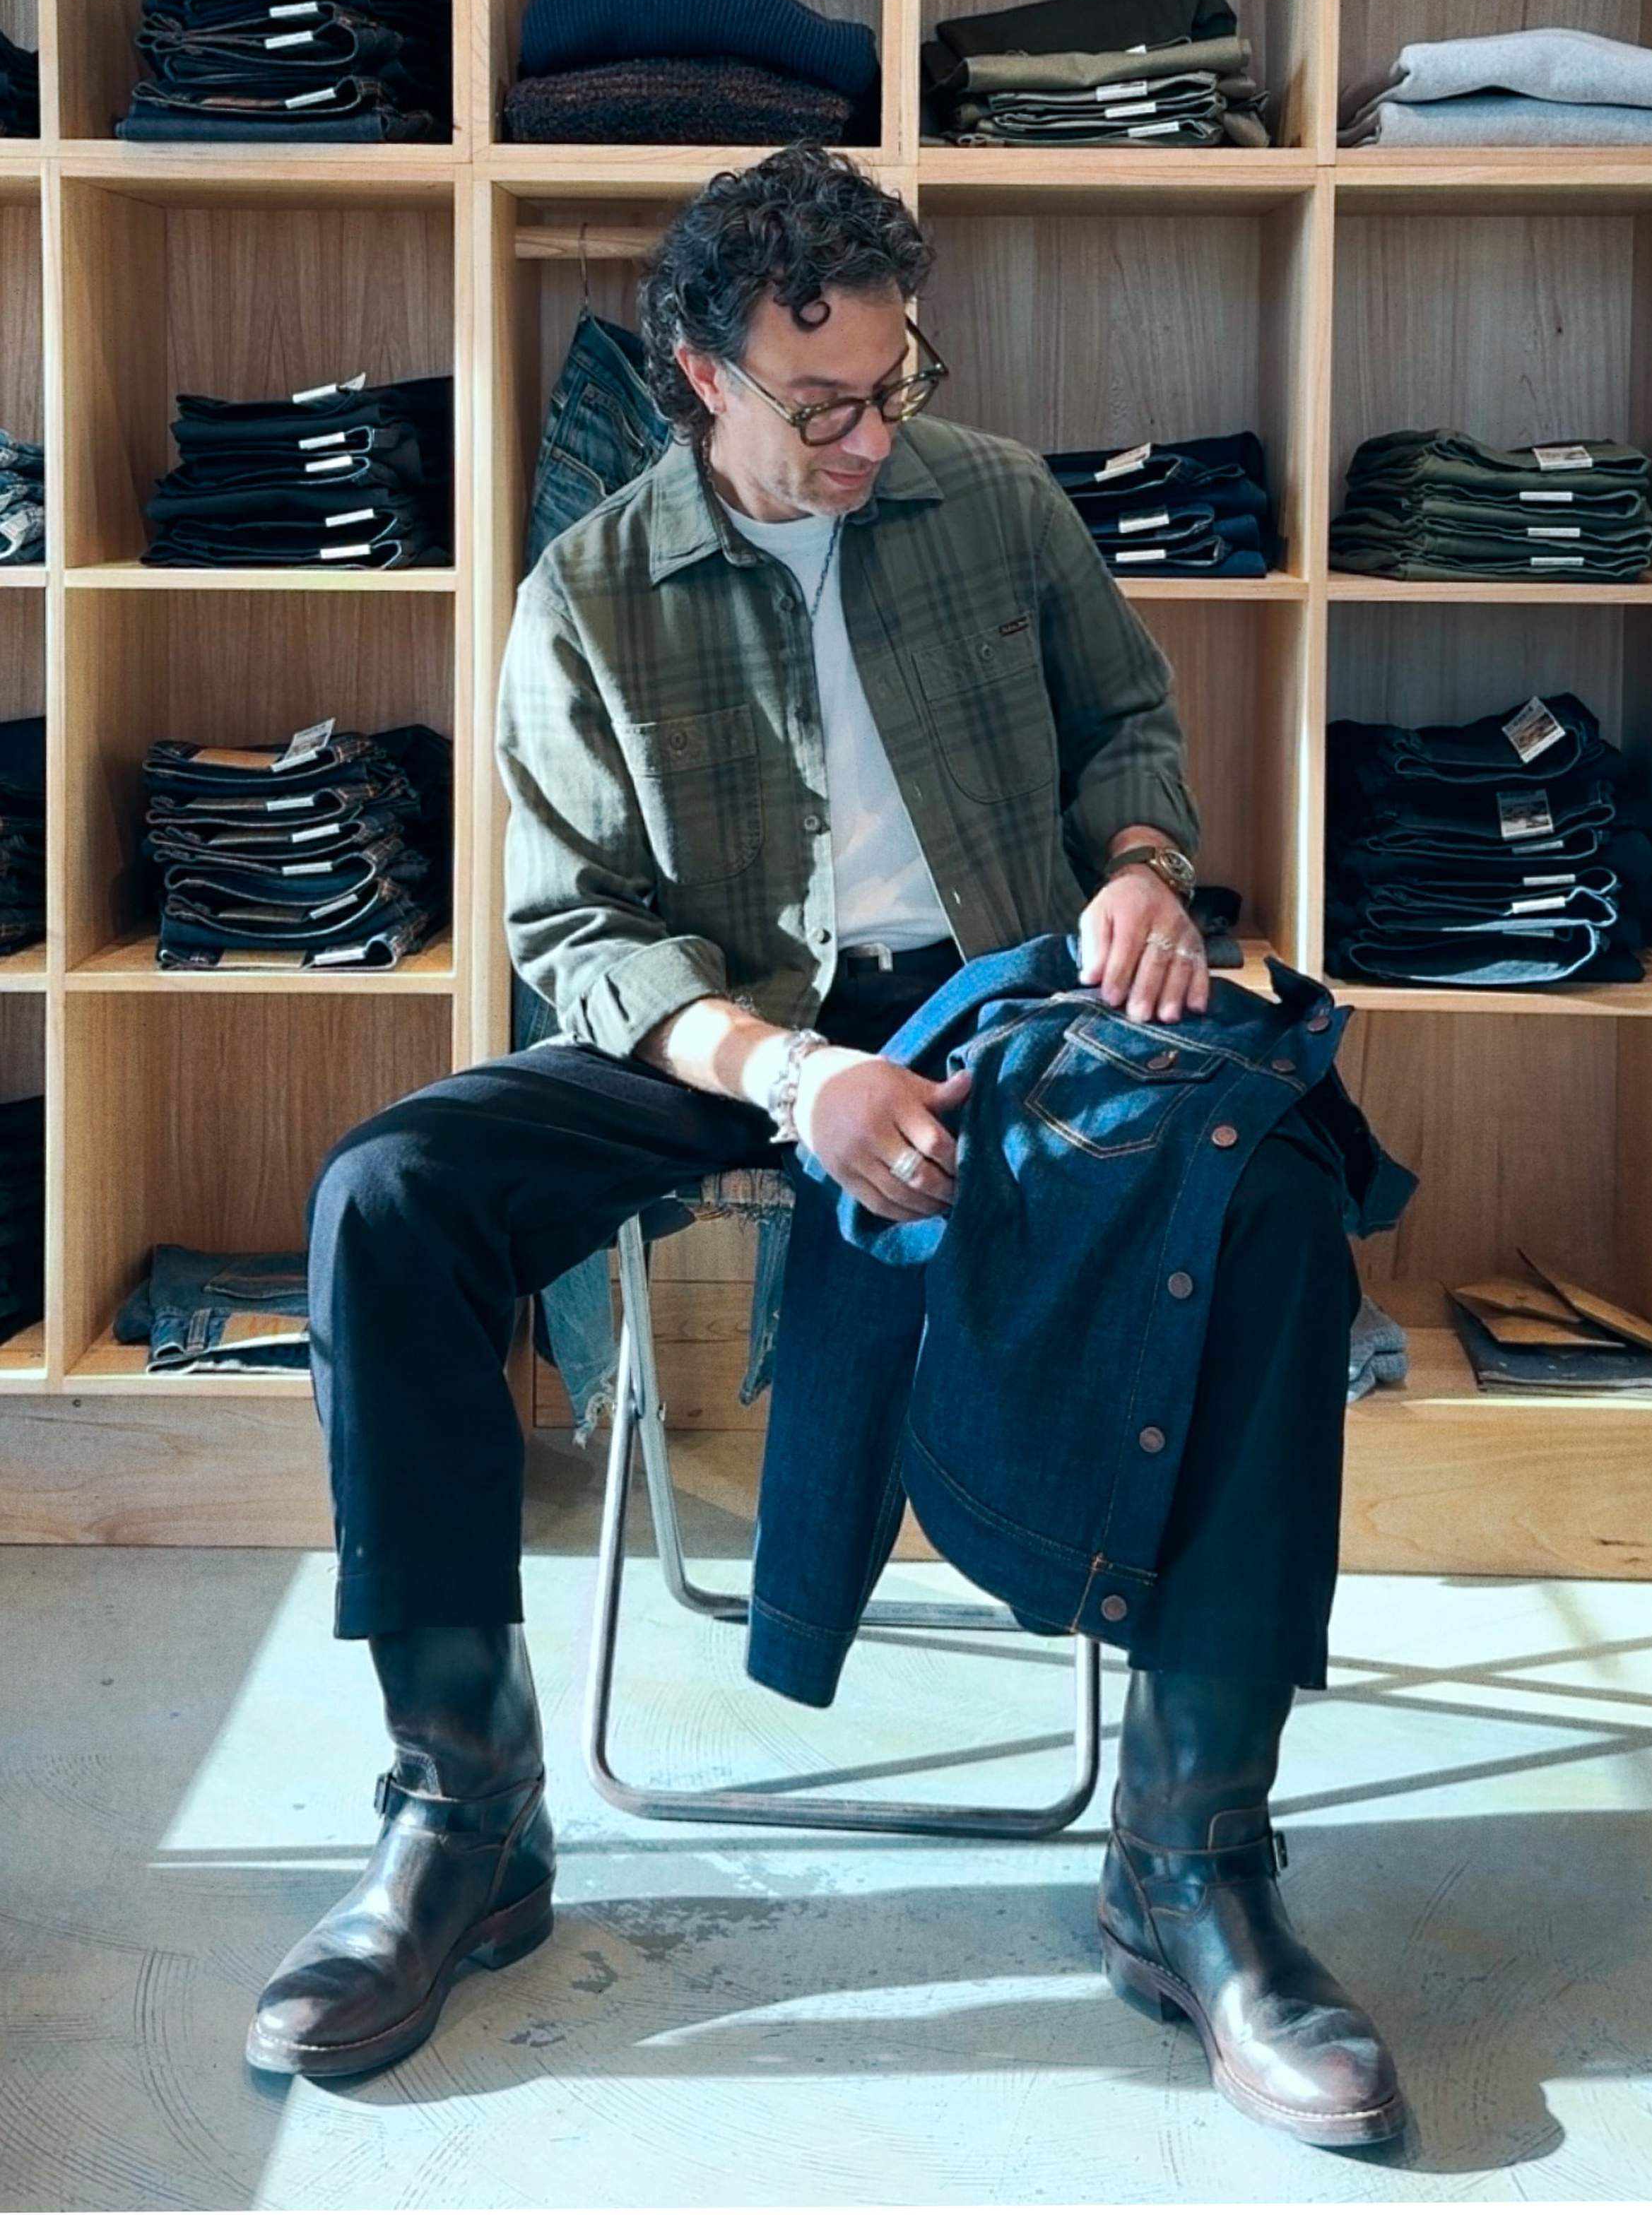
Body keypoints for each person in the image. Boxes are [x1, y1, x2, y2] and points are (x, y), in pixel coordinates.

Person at [245, 142, 1406, 2149]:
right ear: (699, 372)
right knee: (388, 1198)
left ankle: (1194, 1858)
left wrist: (1140, 875)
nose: (874, 434)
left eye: (898, 384)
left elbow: (1127, 727)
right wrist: (792, 1080)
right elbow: (575, 933)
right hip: (723, 1031)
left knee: (1286, 1191)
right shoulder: (592, 590)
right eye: (825, 403)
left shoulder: (1006, 504)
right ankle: (465, 1813)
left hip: (1007, 996)